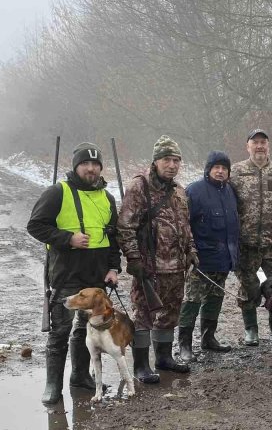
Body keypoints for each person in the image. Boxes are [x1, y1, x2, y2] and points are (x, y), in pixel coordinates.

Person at [27, 143, 120, 405]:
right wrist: (68, 238)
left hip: (96, 278)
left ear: (101, 167)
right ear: (76, 167)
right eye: (85, 164)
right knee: (60, 331)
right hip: (66, 276)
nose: (91, 169)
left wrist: (114, 268)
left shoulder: (108, 198)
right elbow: (35, 226)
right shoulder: (58, 192)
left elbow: (114, 238)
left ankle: (80, 376)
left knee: (86, 329)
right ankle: (52, 385)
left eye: (95, 164)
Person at [117, 135, 198, 381]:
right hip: (149, 270)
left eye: (176, 160)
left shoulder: (180, 192)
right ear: (155, 161)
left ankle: (164, 358)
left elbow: (186, 226)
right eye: (166, 159)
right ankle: (141, 366)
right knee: (143, 316)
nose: (172, 165)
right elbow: (125, 227)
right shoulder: (139, 187)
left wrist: (192, 251)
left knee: (171, 314)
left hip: (176, 268)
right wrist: (134, 259)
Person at [230, 129, 272, 345]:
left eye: (263, 142)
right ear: (247, 146)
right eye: (255, 142)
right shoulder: (236, 172)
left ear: (268, 146)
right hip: (246, 244)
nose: (259, 146)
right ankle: (251, 329)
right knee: (249, 288)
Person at [178, 151, 239, 362]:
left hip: (223, 259)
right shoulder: (194, 191)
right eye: (216, 167)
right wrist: (189, 252)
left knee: (215, 298)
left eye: (224, 168)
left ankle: (208, 338)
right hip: (200, 260)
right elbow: (183, 225)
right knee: (192, 300)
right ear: (208, 169)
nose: (220, 171)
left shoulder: (230, 191)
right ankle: (184, 344)